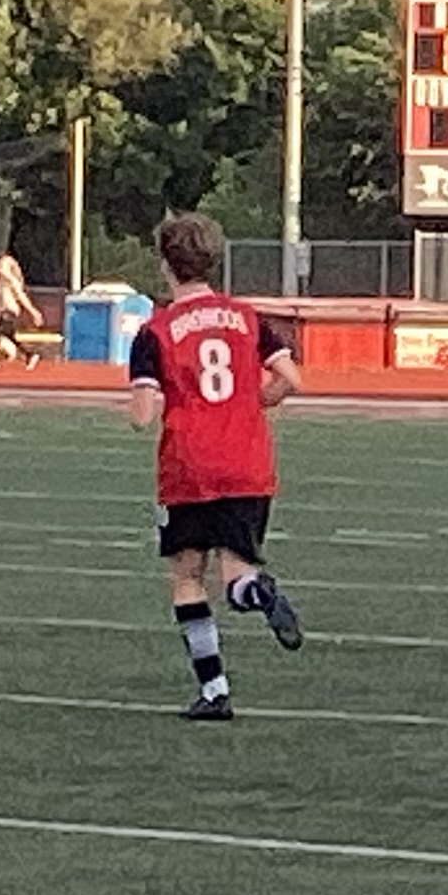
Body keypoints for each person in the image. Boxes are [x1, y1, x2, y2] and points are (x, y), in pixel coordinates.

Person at [127, 212, 304, 720]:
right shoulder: (247, 318)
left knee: (187, 577)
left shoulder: (156, 330)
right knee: (237, 576)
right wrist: (257, 401)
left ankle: (214, 690)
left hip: (189, 466)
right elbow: (292, 379)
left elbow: (143, 416)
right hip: (247, 461)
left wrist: (141, 400)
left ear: (166, 265)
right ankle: (257, 592)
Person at [0, 246, 41, 369]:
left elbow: (21, 295)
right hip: (5, 309)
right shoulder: (2, 282)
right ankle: (29, 354)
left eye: (2, 266)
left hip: (10, 310)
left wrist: (33, 311)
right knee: (7, 335)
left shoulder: (12, 281)